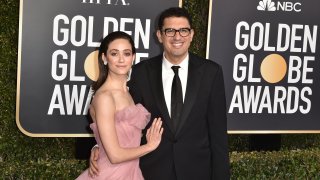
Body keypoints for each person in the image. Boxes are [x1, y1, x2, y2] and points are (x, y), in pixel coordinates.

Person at [89, 7, 230, 179]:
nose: (177, 37)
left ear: (191, 34)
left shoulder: (211, 72)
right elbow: (122, 119)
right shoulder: (141, 72)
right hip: (151, 172)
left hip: (197, 172)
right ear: (159, 35)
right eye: (170, 31)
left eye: (183, 31)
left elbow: (218, 134)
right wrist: (99, 147)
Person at [76, 31, 163, 180]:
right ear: (104, 58)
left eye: (127, 53)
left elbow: (124, 135)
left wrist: (98, 146)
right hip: (111, 174)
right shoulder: (104, 97)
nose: (121, 59)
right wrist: (149, 146)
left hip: (132, 172)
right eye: (114, 54)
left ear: (133, 57)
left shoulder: (129, 92)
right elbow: (115, 156)